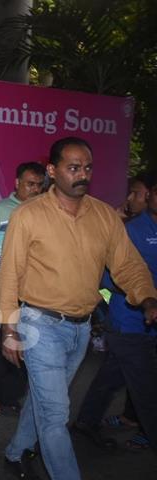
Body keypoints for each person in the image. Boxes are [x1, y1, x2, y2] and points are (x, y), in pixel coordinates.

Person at [0, 136, 157, 480]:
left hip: (82, 329)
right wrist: (9, 329)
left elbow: (127, 265)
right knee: (56, 413)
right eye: (73, 167)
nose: (82, 174)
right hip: (39, 325)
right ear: (53, 171)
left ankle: (14, 452)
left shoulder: (104, 216)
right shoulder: (28, 215)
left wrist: (146, 296)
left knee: (45, 399)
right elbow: (10, 274)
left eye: (87, 167)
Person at [75, 177, 157, 452]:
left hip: (148, 322)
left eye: (136, 193)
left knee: (115, 374)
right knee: (144, 382)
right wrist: (143, 293)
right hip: (129, 319)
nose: (131, 199)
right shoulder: (131, 230)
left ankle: (89, 420)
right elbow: (109, 279)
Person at [0, 162, 45, 415]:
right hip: (4, 287)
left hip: (34, 289)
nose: (35, 190)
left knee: (26, 343)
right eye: (30, 184)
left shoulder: (43, 211)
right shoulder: (0, 209)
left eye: (39, 185)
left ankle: (11, 395)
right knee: (7, 341)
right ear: (17, 183)